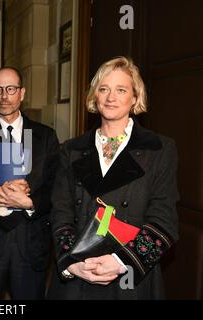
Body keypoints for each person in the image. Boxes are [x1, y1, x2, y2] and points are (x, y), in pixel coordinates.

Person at [47, 56, 179, 299]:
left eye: (121, 90)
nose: (111, 97)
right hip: (79, 275)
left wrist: (120, 261)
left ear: (135, 97)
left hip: (130, 278)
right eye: (103, 89)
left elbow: (165, 220)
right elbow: (60, 213)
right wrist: (70, 263)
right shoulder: (71, 149)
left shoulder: (159, 149)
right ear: (94, 96)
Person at [0, 67, 60, 299]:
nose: (4, 96)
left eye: (10, 89)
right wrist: (7, 193)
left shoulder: (46, 136)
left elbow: (55, 187)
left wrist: (29, 202)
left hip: (32, 241)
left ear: (22, 93)